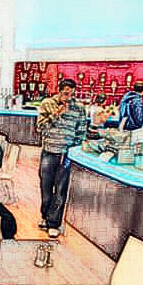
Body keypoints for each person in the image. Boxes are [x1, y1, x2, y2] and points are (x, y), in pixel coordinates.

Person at [36, 79, 87, 238]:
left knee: (60, 190)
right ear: (59, 91)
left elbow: (81, 131)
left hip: (66, 154)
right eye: (65, 91)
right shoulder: (47, 103)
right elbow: (40, 127)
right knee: (46, 188)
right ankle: (45, 216)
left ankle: (53, 223)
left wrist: (73, 150)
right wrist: (56, 114)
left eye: (70, 92)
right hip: (49, 151)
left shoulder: (79, 108)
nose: (67, 94)